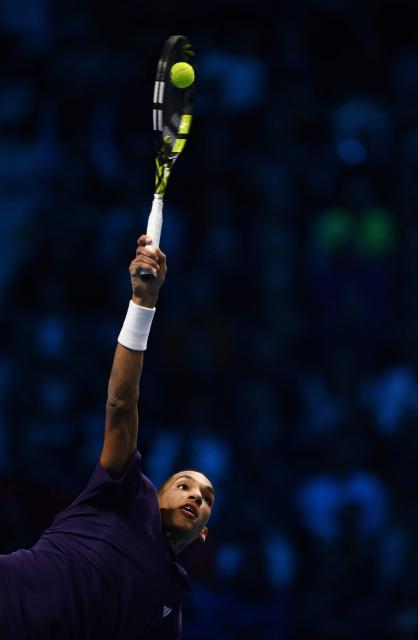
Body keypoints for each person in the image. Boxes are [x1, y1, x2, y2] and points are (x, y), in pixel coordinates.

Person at [0, 235, 215, 639]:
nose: (195, 497)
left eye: (205, 499)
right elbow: (120, 403)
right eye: (184, 485)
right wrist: (143, 303)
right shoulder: (126, 493)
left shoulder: (170, 608)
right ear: (156, 495)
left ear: (203, 532)